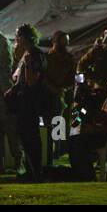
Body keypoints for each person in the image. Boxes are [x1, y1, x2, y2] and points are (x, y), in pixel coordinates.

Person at [7, 24, 48, 181]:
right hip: (23, 102)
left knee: (31, 139)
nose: (16, 40)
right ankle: (29, 171)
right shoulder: (25, 56)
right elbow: (20, 80)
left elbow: (31, 82)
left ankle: (35, 173)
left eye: (18, 36)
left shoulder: (35, 55)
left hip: (31, 103)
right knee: (25, 138)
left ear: (25, 38)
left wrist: (28, 64)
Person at [43, 31, 76, 165]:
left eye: (66, 41)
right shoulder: (47, 58)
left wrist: (65, 89)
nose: (64, 44)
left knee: (62, 125)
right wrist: (54, 89)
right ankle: (50, 153)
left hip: (64, 96)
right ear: (54, 41)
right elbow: (43, 77)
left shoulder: (69, 58)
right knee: (51, 125)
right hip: (50, 97)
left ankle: (59, 153)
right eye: (62, 41)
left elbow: (73, 77)